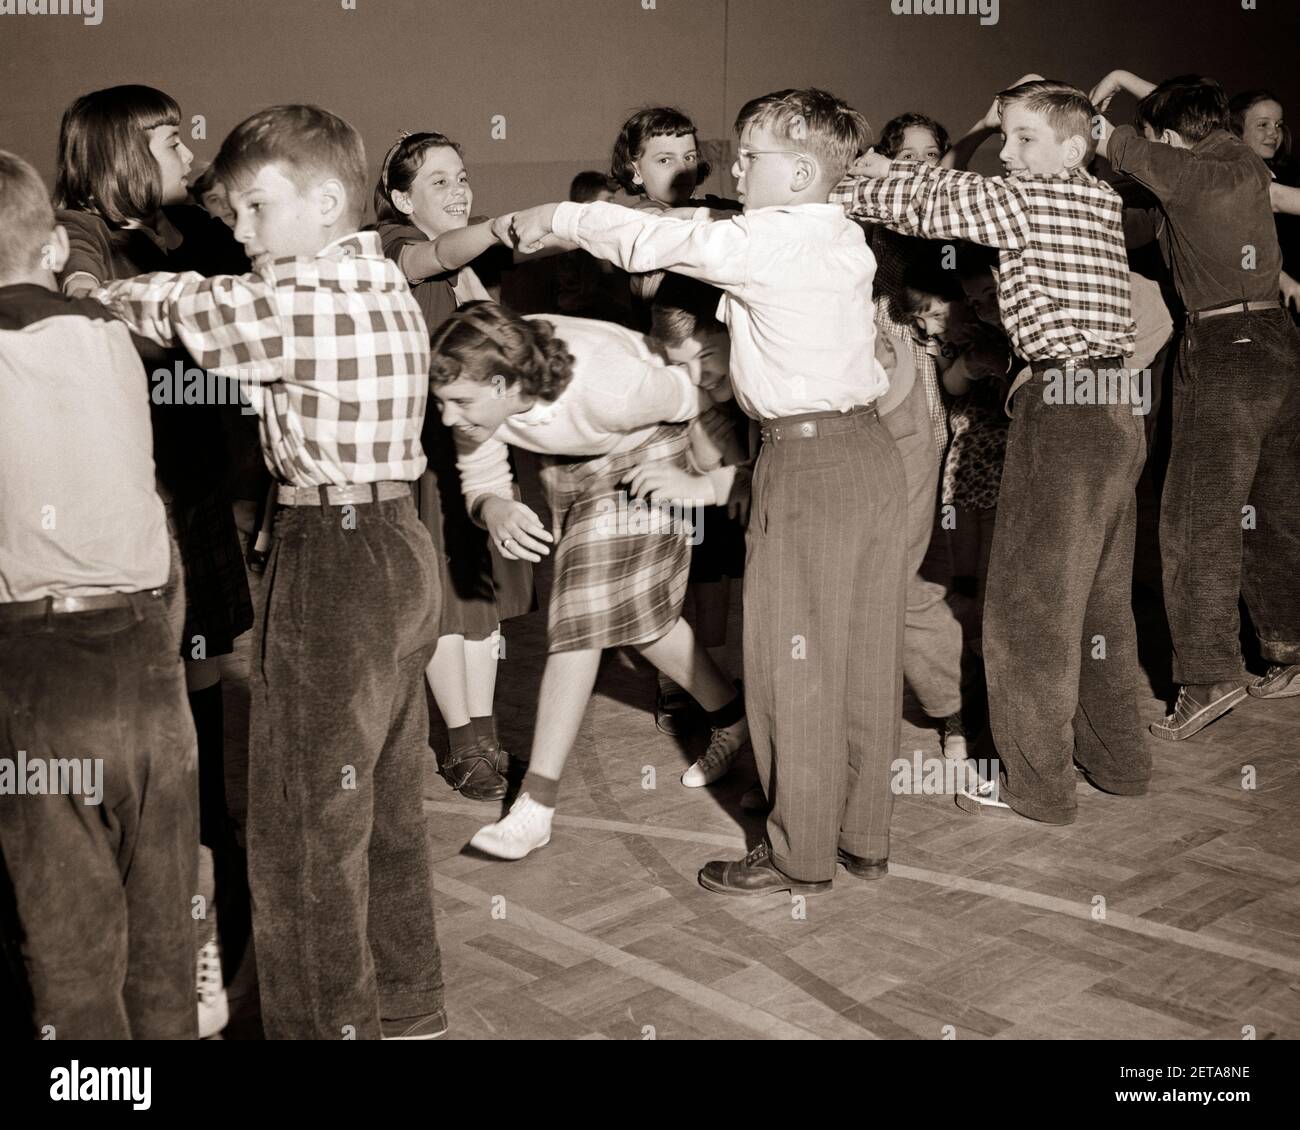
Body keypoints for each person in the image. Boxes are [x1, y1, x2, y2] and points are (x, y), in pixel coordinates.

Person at [92, 104, 447, 1041]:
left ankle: (323, 1026)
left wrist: (88, 291)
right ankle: (407, 1006)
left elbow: (183, 306)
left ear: (327, 201)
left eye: (255, 210)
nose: (240, 232)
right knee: (384, 802)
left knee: (300, 822)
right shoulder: (375, 277)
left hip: (336, 553)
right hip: (400, 543)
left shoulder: (302, 301)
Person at [504, 88, 907, 896]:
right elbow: (700, 231)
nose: (733, 169)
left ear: (797, 171)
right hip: (870, 457)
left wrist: (564, 214)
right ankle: (863, 836)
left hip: (810, 462)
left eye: (750, 157)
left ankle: (799, 852)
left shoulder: (769, 244)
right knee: (864, 655)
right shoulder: (842, 236)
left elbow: (649, 235)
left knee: (792, 665)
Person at [840, 78, 1146, 825]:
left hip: (1063, 411)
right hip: (1114, 406)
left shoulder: (1027, 200)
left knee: (1026, 611)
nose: (1007, 155)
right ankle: (1120, 761)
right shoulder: (1097, 199)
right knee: (1100, 602)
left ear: (1072, 147)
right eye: (1004, 138)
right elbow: (951, 190)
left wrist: (854, 178)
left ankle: (1036, 786)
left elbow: (920, 204)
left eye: (1024, 139)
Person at [52, 83, 254, 1036]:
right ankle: (176, 944)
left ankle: (206, 916)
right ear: (118, 152)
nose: (189, 150)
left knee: (204, 721)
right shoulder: (83, 234)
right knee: (168, 744)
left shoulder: (184, 234)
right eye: (171, 139)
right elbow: (90, 305)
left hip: (200, 500)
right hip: (153, 513)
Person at [432, 301, 750, 859]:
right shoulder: (477, 396)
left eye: (459, 403)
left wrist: (716, 476)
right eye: (442, 403)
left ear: (505, 383)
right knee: (640, 621)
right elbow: (480, 475)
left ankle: (535, 807)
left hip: (648, 443)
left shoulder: (612, 385)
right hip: (573, 458)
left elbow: (703, 392)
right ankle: (732, 715)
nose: (448, 418)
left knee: (581, 616)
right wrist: (494, 508)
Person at [0, 150, 198, 1039]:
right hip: (148, 658)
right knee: (162, 934)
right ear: (48, 248)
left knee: (74, 952)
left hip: (35, 673)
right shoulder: (112, 339)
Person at [1092, 71, 1300, 719]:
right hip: (1278, 341)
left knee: (1195, 517)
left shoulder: (1178, 171)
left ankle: (1209, 677)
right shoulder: (1240, 159)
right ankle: (1289, 652)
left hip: (1221, 344)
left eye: (1157, 138)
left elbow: (1096, 134)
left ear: (1171, 138)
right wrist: (1128, 79)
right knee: (1273, 508)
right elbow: (1194, 125)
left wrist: (1105, 104)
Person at [374, 129, 536, 802]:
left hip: (477, 454)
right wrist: (496, 229)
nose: (458, 188)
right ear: (399, 195)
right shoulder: (386, 242)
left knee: (480, 598)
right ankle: (461, 743)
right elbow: (427, 255)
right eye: (438, 180)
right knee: (443, 603)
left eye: (462, 176)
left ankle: (486, 736)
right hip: (423, 453)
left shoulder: (476, 268)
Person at [609, 106, 750, 739]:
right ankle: (675, 681)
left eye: (691, 155)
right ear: (633, 168)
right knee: (667, 545)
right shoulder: (617, 220)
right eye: (665, 158)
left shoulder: (719, 210)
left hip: (721, 402)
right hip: (656, 410)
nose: (683, 168)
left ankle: (715, 677)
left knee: (717, 550)